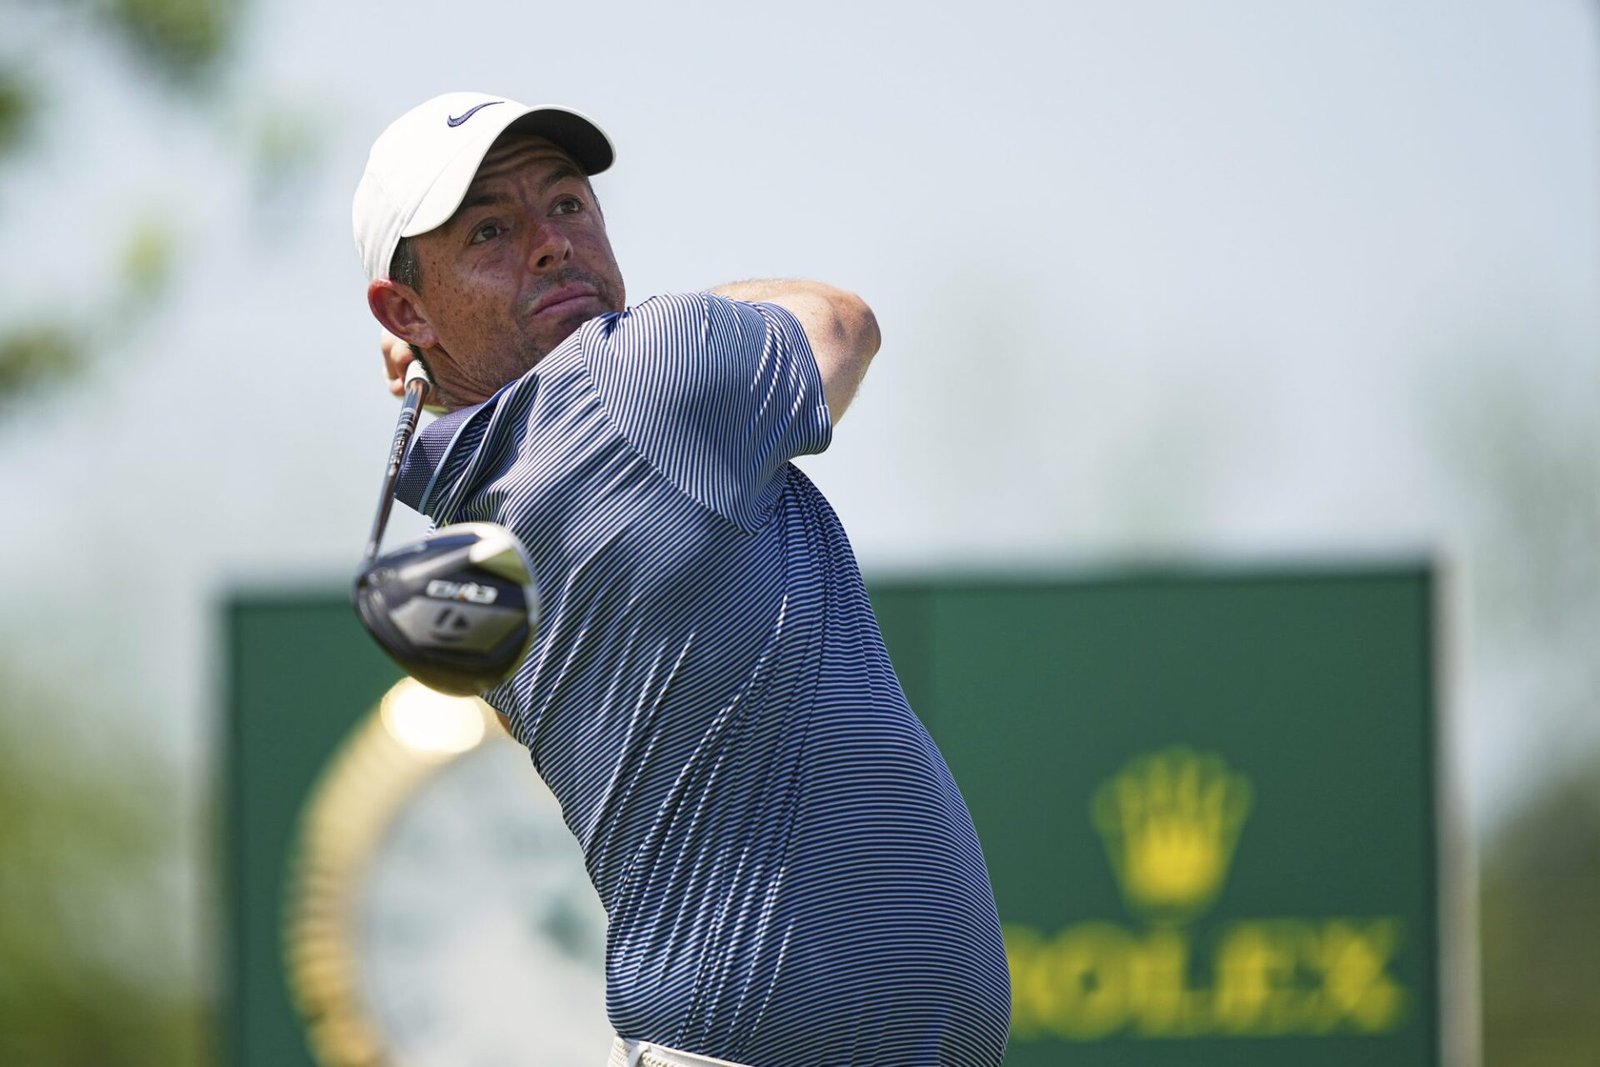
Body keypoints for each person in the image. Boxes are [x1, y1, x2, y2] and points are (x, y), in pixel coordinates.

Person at [353, 91, 1011, 1067]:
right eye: (491, 230)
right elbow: (842, 321)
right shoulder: (635, 376)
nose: (551, 243)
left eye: (568, 205)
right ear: (406, 311)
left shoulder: (471, 518)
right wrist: (658, 318)